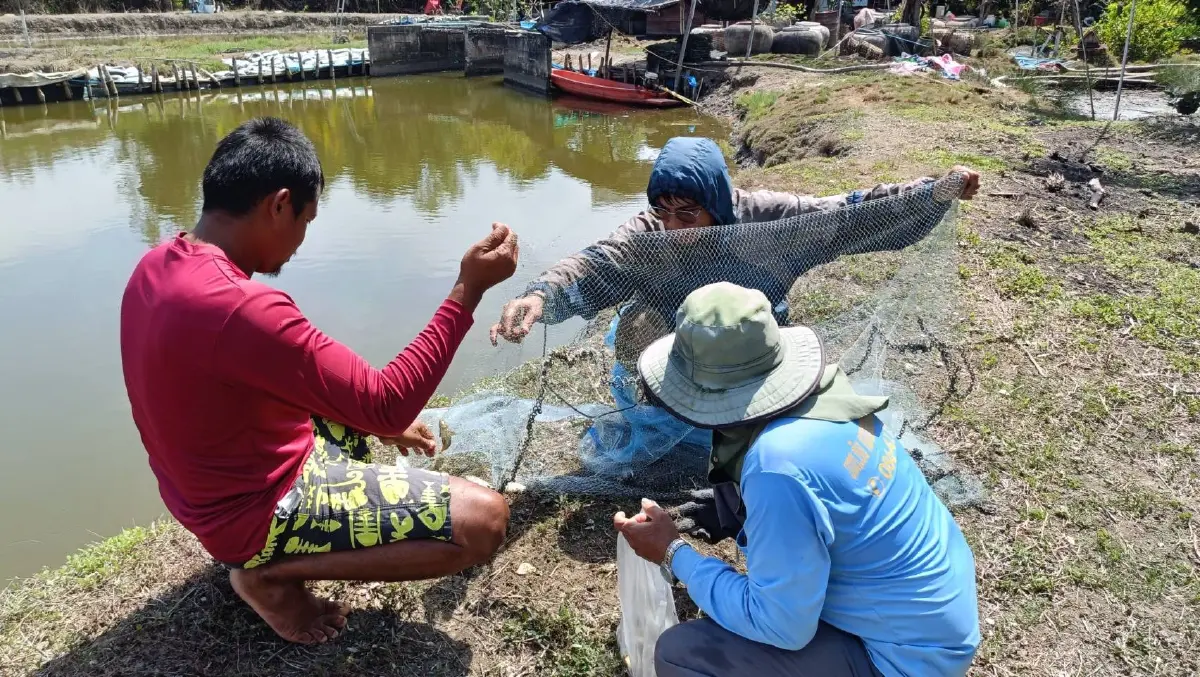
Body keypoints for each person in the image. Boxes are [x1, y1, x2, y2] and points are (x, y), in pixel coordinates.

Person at [120, 117, 519, 645]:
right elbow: (388, 403)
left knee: (359, 416)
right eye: (305, 219)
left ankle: (264, 554)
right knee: (484, 520)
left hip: (202, 489)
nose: (301, 240)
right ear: (279, 204)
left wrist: (374, 419)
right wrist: (468, 289)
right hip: (248, 514)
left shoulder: (156, 264)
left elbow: (272, 382)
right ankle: (267, 574)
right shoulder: (243, 308)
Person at [490, 136, 980, 459]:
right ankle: (664, 418)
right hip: (672, 332)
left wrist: (930, 192)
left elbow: (849, 214)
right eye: (663, 213)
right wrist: (541, 294)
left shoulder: (771, 218)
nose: (674, 228)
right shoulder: (649, 232)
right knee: (635, 333)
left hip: (749, 338)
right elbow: (597, 260)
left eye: (689, 214)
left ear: (717, 202)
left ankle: (742, 420)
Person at [614, 282, 980, 676]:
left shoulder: (778, 465)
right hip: (936, 619)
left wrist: (673, 552)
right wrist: (735, 511)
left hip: (906, 660)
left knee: (681, 653)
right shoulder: (830, 399)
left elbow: (780, 626)